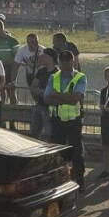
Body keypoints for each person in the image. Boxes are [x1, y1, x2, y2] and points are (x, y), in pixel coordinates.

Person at [45, 50, 88, 188]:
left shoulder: (80, 77)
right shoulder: (53, 77)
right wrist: (66, 98)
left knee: (77, 153)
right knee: (57, 153)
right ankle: (58, 181)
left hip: (73, 120)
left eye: (67, 61)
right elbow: (46, 98)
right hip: (57, 120)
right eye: (62, 61)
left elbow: (75, 99)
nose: (64, 63)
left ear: (72, 61)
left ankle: (80, 181)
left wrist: (57, 95)